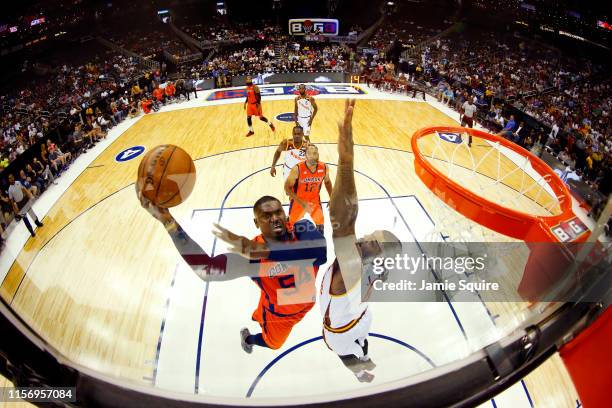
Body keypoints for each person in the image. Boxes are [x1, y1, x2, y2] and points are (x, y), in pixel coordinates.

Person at [137, 193, 327, 353]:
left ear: (285, 216)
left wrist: (264, 251)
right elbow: (206, 270)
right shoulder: (251, 259)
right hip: (279, 315)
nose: (275, 218)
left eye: (278, 212)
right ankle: (248, 339)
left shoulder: (302, 229)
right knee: (274, 344)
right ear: (256, 223)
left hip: (306, 303)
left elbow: (319, 254)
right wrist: (168, 222)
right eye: (266, 216)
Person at [322, 100, 402, 382]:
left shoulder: (351, 267)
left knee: (347, 357)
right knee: (365, 341)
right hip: (363, 316)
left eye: (373, 243)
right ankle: (366, 357)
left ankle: (361, 372)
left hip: (340, 331)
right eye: (372, 236)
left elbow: (344, 216)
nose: (366, 238)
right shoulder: (375, 267)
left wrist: (346, 162)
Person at [285, 144, 332, 235]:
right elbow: (286, 188)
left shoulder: (324, 167)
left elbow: (327, 182)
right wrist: (298, 201)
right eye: (309, 153)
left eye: (315, 153)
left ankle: (319, 244)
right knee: (291, 226)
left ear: (318, 154)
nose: (312, 156)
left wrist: (332, 197)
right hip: (299, 201)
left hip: (314, 200)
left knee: (321, 226)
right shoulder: (297, 169)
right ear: (305, 155)